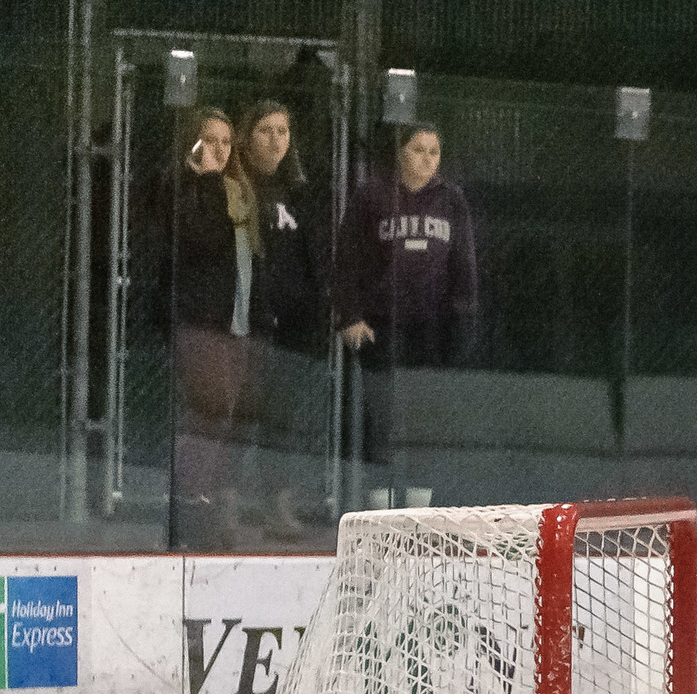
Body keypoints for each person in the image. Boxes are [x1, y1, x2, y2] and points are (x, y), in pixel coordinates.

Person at [334, 122, 477, 499]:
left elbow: (464, 267)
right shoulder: (372, 196)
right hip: (380, 326)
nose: (427, 158)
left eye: (434, 151)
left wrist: (461, 325)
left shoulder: (452, 200)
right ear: (401, 152)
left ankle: (416, 511)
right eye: (418, 149)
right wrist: (349, 315)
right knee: (381, 417)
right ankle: (379, 507)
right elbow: (347, 260)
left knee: (424, 420)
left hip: (431, 330)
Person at [164, 107, 263, 550]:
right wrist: (204, 179)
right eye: (210, 141)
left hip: (238, 320)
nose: (219, 150)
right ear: (193, 143)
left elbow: (249, 256)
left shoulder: (240, 190)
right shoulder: (185, 187)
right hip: (202, 319)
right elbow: (202, 240)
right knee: (210, 407)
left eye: (225, 142)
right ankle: (187, 503)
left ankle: (205, 504)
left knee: (228, 415)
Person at [236, 100, 330, 543]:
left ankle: (279, 505)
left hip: (294, 327)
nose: (275, 140)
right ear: (247, 136)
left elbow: (318, 260)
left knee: (285, 419)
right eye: (265, 131)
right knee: (238, 413)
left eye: (283, 131)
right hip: (247, 323)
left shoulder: (302, 193)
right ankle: (228, 503)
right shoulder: (235, 186)